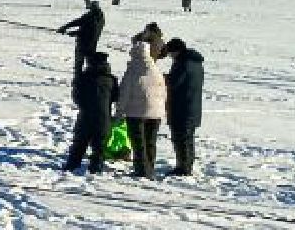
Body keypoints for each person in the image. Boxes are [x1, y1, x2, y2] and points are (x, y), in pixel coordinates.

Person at [116, 27, 167, 177]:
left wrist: (119, 112)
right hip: (156, 113)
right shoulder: (154, 68)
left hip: (136, 113)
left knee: (139, 144)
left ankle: (142, 171)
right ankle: (150, 168)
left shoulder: (133, 68)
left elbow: (124, 92)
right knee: (150, 142)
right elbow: (162, 89)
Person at [62, 51, 117, 174]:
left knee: (79, 144)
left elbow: (77, 98)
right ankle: (95, 169)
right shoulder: (111, 79)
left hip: (86, 117)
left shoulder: (83, 77)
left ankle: (71, 166)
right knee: (100, 147)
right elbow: (115, 97)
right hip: (104, 118)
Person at [162, 38, 204, 176]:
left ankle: (183, 168)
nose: (170, 56)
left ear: (176, 51)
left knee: (181, 139)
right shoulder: (196, 63)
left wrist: (162, 78)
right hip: (192, 106)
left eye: (170, 53)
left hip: (182, 107)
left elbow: (174, 83)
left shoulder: (183, 63)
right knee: (188, 139)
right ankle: (186, 165)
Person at [58, 1, 105, 74]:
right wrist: (66, 27)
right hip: (92, 44)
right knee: (90, 63)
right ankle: (88, 79)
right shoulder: (100, 17)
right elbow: (80, 22)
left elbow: (87, 30)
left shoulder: (92, 17)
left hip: (84, 44)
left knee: (79, 64)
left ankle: (79, 81)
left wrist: (72, 31)